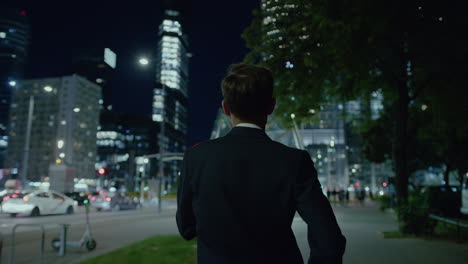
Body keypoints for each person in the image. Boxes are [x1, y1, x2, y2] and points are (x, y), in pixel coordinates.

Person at [176, 63, 346, 264]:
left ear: (225, 108)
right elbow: (328, 238)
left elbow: (186, 228)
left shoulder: (196, 158)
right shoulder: (294, 160)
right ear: (271, 106)